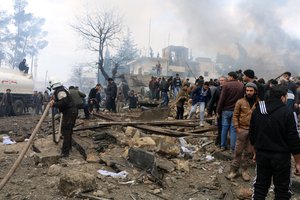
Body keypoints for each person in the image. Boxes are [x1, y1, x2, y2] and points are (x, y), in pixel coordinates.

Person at [249, 84, 300, 199]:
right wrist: (298, 162)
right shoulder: (287, 112)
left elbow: (252, 134)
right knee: (282, 190)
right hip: (281, 158)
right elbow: (294, 139)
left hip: (262, 155)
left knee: (260, 187)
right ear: (282, 97)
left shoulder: (258, 110)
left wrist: (255, 152)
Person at [226, 82, 259, 181]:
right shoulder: (240, 102)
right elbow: (235, 115)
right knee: (238, 151)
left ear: (255, 92)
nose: (248, 92)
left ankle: (244, 171)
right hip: (242, 129)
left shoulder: (259, 103)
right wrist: (237, 127)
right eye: (247, 90)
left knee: (249, 152)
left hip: (253, 131)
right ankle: (233, 170)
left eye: (251, 91)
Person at [217, 71, 244, 152]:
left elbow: (222, 99)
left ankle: (223, 145)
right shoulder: (241, 85)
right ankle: (232, 148)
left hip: (226, 110)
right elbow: (242, 98)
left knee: (224, 128)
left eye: (228, 76)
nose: (227, 78)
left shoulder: (226, 85)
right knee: (233, 129)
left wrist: (218, 110)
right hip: (236, 111)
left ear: (232, 77)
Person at [49, 80, 77, 158]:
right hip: (71, 112)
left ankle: (65, 152)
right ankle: (69, 148)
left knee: (66, 131)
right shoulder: (61, 90)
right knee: (68, 131)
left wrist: (54, 104)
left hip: (70, 112)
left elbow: (64, 102)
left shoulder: (60, 91)